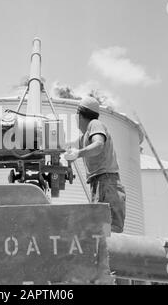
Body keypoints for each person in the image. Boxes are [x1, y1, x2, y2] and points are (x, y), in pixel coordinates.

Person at [64, 96, 126, 233]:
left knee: (109, 229)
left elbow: (98, 145)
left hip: (106, 182)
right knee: (100, 229)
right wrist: (69, 162)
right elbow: (70, 149)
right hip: (99, 184)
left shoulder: (95, 124)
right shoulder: (84, 137)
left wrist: (78, 154)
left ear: (79, 115)